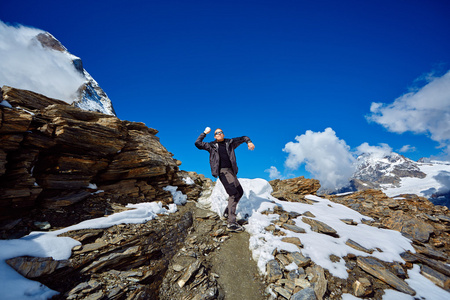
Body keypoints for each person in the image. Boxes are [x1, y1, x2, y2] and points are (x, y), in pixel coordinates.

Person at [195, 127, 255, 232]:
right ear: (214, 136)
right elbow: (198, 143)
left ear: (223, 134)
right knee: (233, 193)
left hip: (231, 172)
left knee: (239, 192)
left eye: (220, 132)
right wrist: (204, 133)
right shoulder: (211, 146)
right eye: (216, 133)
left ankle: (227, 212)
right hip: (223, 172)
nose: (219, 134)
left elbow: (244, 137)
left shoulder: (230, 142)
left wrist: (249, 142)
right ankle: (231, 223)